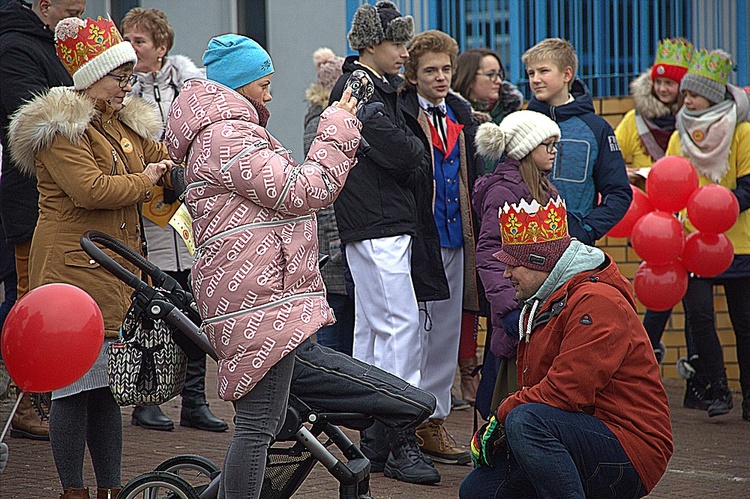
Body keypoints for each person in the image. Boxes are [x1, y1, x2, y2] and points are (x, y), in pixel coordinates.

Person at [164, 34, 361, 498]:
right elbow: (302, 191)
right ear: (240, 84)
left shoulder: (230, 130)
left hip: (257, 286)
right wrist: (337, 125)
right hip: (254, 293)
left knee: (264, 422)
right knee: (257, 426)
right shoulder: (227, 134)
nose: (270, 95)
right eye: (265, 84)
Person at [8, 16, 173, 498]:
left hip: (109, 273)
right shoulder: (64, 130)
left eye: (129, 77)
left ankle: (111, 489)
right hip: (71, 276)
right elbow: (91, 190)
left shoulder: (117, 123)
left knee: (105, 392)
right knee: (73, 390)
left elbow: (161, 155)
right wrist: (151, 178)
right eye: (118, 77)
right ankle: (74, 490)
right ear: (89, 78)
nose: (127, 85)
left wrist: (168, 167)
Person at [459, 196, 673, 498]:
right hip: (582, 433)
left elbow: (567, 391)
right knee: (478, 491)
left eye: (513, 264)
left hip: (631, 447)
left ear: (538, 261)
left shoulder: (596, 301)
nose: (506, 275)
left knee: (525, 421)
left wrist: (503, 415)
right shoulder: (547, 300)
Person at [328, 1, 440, 485]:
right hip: (377, 222)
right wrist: (413, 149)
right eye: (397, 44)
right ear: (371, 44)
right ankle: (400, 435)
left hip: (379, 221)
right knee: (398, 327)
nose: (404, 53)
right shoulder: (362, 88)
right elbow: (404, 154)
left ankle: (375, 437)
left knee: (376, 331)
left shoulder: (373, 88)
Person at [120, 6, 227, 434]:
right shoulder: (121, 94)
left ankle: (195, 401)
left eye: (139, 41)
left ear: (162, 48)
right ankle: (149, 398)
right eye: (125, 39)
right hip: (147, 217)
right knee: (153, 307)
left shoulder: (193, 88)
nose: (130, 48)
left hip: (189, 214)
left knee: (195, 304)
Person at [0, 0, 86, 442]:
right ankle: (23, 395)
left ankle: (49, 391)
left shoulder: (58, 47)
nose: (79, 13)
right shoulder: (15, 46)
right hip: (29, 197)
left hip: (57, 196)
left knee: (57, 298)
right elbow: (28, 117)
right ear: (44, 5)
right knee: (30, 297)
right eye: (70, 5)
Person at [399, 29, 478, 466]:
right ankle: (409, 419)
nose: (441, 76)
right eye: (431, 70)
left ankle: (435, 419)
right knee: (415, 335)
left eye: (446, 68)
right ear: (414, 75)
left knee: (446, 337)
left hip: (456, 238)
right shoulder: (404, 111)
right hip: (420, 239)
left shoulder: (462, 113)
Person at [614, 38, 707, 408]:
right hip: (653, 228)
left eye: (672, 83)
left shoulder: (699, 126)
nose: (665, 89)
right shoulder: (632, 122)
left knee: (697, 310)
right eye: (660, 82)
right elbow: (613, 165)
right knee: (658, 298)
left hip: (697, 226)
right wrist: (637, 175)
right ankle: (639, 371)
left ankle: (698, 383)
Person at [666, 48, 750, 421]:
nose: (686, 100)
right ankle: (717, 389)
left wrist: (716, 209)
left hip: (740, 242)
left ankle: (749, 396)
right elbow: (668, 183)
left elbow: (748, 187)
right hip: (693, 243)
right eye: (685, 94)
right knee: (699, 316)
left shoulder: (743, 132)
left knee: (744, 321)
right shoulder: (679, 135)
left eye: (693, 93)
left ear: (713, 95)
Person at [472, 109, 562, 415]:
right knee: (502, 389)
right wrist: (510, 307)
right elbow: (489, 254)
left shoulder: (548, 191)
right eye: (546, 145)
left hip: (542, 305)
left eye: (554, 145)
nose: (553, 152)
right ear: (525, 148)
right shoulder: (501, 192)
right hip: (515, 309)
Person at [523, 38, 632, 246]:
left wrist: (587, 230)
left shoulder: (597, 128)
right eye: (530, 73)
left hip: (575, 249)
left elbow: (618, 193)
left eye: (543, 71)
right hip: (526, 245)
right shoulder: (521, 125)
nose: (535, 79)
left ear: (567, 74)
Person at [302, 47, 354, 356]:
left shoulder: (323, 120)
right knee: (334, 337)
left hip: (338, 245)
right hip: (334, 249)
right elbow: (325, 191)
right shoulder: (320, 126)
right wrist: (336, 245)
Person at [452, 47, 524, 173]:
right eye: (491, 75)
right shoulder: (452, 115)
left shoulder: (512, 117)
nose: (499, 81)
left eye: (499, 74)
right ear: (468, 78)